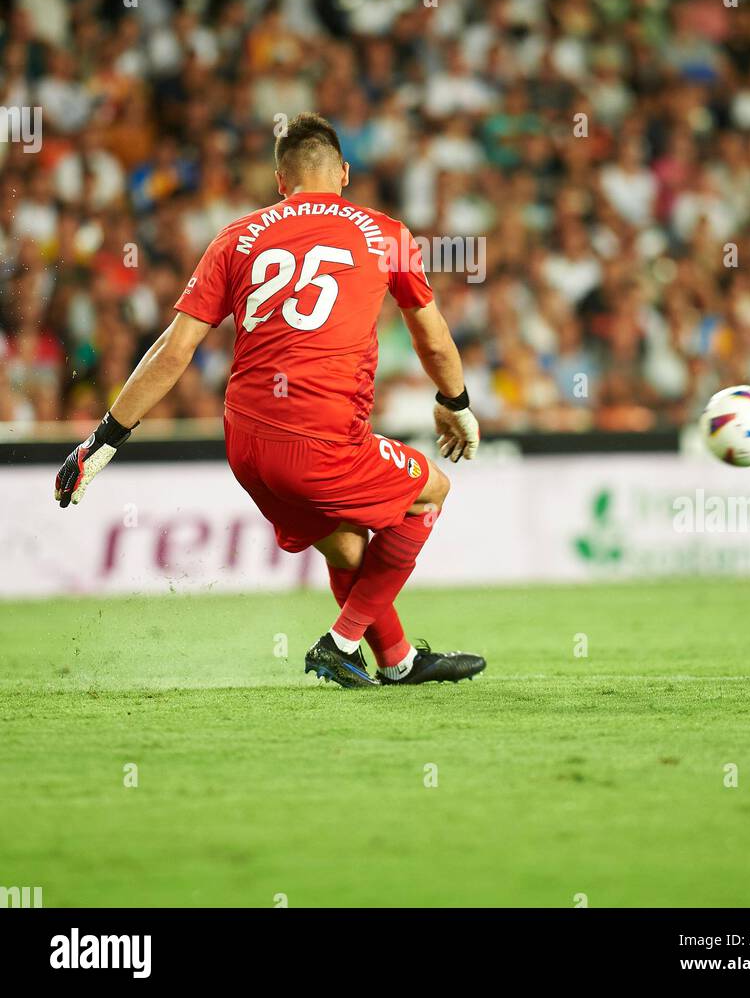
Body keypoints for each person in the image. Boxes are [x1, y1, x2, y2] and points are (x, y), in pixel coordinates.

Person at [54, 113, 484, 689]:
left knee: (347, 547)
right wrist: (455, 403)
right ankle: (340, 643)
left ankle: (399, 660)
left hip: (247, 443)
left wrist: (103, 439)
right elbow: (430, 335)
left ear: (281, 181)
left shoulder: (236, 237)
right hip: (322, 438)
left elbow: (174, 349)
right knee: (430, 492)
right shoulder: (387, 235)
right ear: (345, 174)